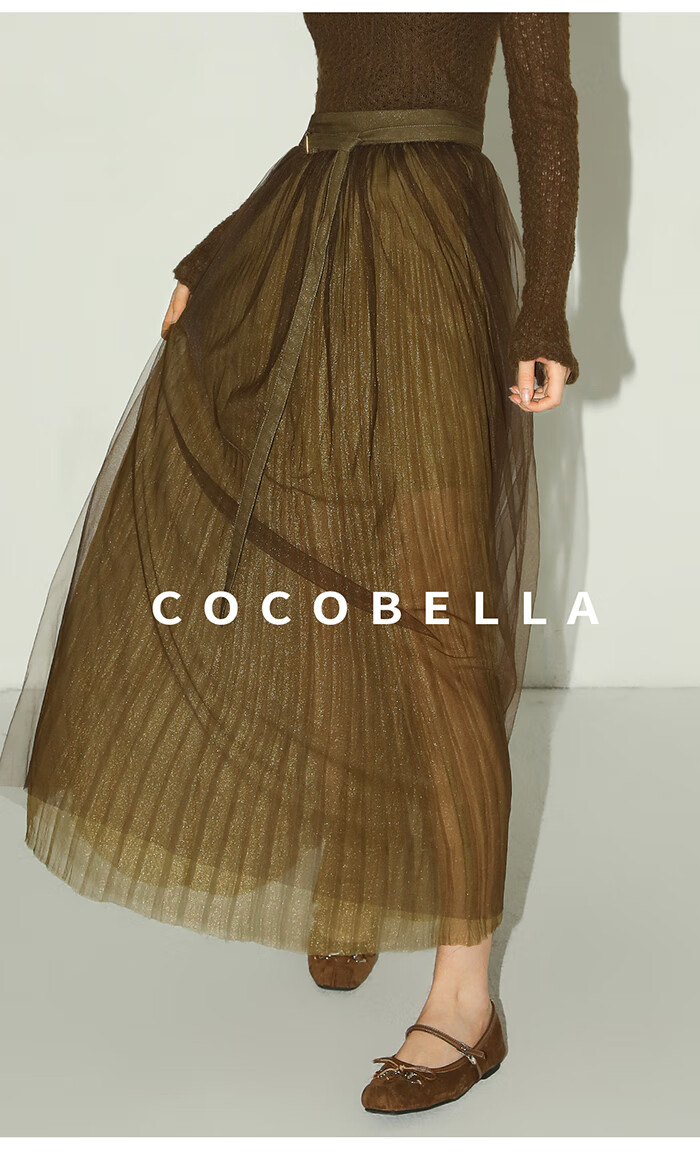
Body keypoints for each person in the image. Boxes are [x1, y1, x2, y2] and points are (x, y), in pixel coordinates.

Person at [0, 14, 579, 1115]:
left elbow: (547, 113)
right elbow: (331, 122)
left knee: (439, 626)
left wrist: (541, 305)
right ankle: (354, 879)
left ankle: (466, 999)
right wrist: (222, 250)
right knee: (324, 590)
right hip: (317, 253)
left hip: (435, 265)